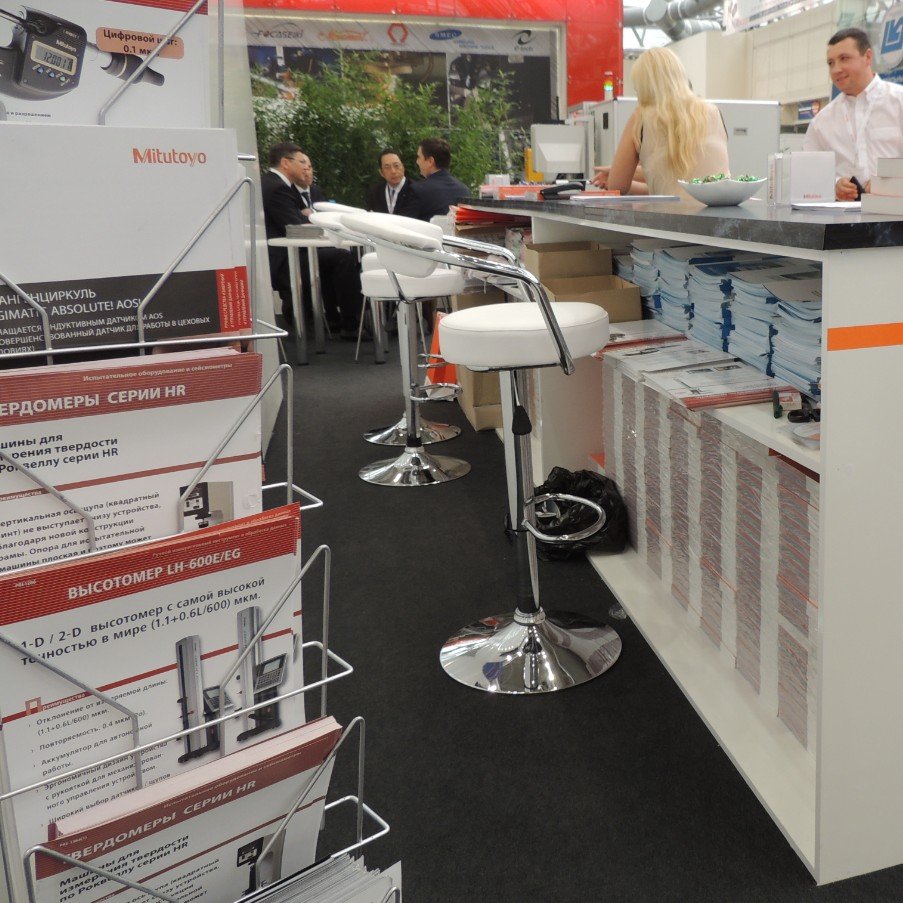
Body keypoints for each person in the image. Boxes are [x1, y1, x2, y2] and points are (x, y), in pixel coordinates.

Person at [590, 47, 729, 198]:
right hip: (722, 211)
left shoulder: (641, 117)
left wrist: (617, 172)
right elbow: (676, 189)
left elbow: (618, 185)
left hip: (669, 213)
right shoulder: (714, 111)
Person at [261, 142, 363, 338]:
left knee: (334, 257)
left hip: (284, 256)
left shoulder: (271, 183)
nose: (306, 168)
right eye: (301, 162)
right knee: (342, 257)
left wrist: (305, 216)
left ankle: (335, 319)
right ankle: (352, 324)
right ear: (285, 163)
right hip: (283, 262)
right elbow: (295, 227)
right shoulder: (278, 188)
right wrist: (312, 218)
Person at [803, 28, 903, 200]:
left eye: (844, 58)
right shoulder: (821, 122)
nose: (836, 69)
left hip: (896, 210)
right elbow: (808, 171)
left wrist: (892, 183)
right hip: (844, 214)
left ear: (868, 57)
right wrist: (834, 184)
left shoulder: (899, 102)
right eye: (831, 63)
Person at [414, 137, 469, 220]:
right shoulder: (464, 190)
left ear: (430, 161)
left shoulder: (417, 190)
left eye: (419, 157)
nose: (417, 161)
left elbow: (405, 224)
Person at [365, 148, 420, 216]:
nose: (393, 171)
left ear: (403, 167)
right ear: (381, 172)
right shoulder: (375, 192)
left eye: (396, 166)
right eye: (387, 167)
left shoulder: (415, 190)